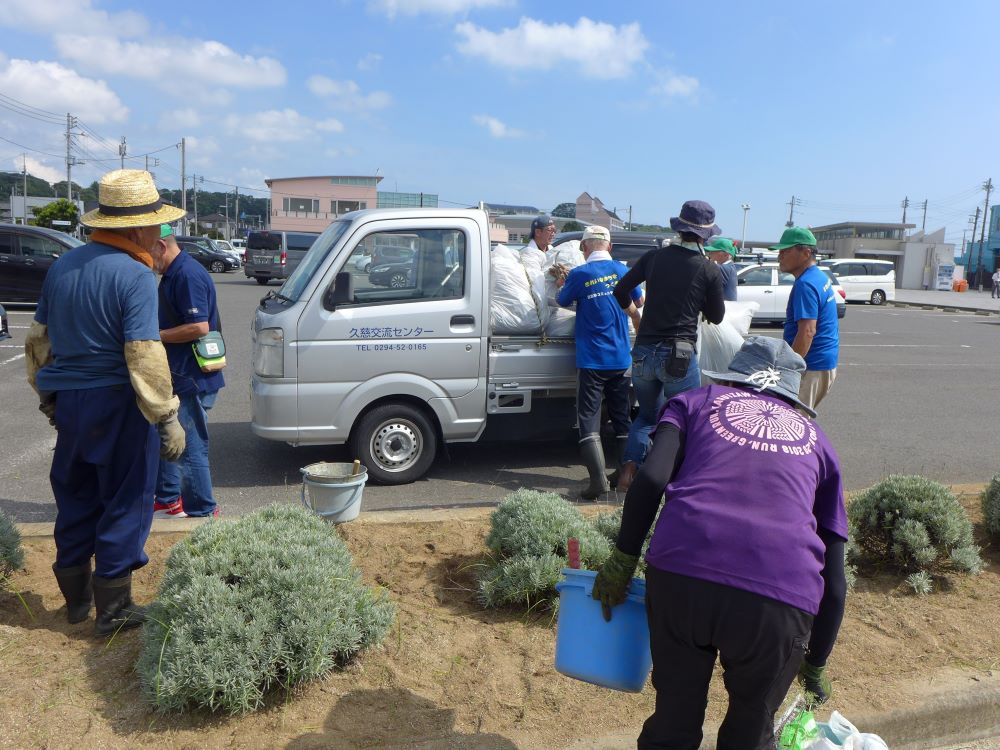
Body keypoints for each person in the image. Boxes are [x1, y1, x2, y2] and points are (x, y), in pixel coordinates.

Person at [592, 336, 848, 750]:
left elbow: (651, 479)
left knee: (673, 722)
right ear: (792, 398)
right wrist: (815, 662)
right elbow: (835, 583)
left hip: (683, 573)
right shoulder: (820, 445)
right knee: (750, 730)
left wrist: (623, 559)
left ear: (732, 379)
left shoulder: (695, 403)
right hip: (779, 597)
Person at [24, 169, 186, 636]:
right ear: (135, 229)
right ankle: (113, 611)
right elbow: (143, 351)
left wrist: (48, 396)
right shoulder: (135, 275)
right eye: (155, 225)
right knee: (126, 499)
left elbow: (38, 340)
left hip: (71, 401)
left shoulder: (63, 266)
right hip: (119, 402)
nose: (158, 234)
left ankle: (76, 603)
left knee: (75, 495)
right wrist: (166, 415)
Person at [612, 200, 726, 493]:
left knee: (646, 416)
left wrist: (635, 314)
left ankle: (628, 471)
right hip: (679, 354)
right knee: (683, 418)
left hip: (643, 351)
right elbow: (717, 316)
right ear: (706, 235)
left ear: (679, 229)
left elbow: (620, 290)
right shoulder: (708, 269)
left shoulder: (654, 257)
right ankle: (671, 478)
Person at [556, 225, 642, 499]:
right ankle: (623, 474)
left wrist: (562, 283)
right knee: (621, 417)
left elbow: (561, 300)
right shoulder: (622, 271)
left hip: (592, 360)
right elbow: (639, 301)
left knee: (588, 418)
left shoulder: (580, 273)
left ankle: (597, 482)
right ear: (610, 246)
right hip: (620, 358)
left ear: (584, 248)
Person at [150, 225, 225, 519]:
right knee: (170, 438)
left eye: (147, 250)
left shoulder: (186, 274)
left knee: (189, 446)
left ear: (161, 246)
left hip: (192, 376)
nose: (146, 259)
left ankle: (203, 510)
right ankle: (168, 499)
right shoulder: (174, 273)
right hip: (183, 374)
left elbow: (199, 326)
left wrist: (155, 336)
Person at [775, 226, 839, 411]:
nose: (780, 256)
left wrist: (789, 369)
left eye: (786, 251)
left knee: (793, 422)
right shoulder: (818, 276)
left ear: (806, 253)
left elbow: (808, 331)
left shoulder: (806, 284)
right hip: (823, 362)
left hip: (812, 365)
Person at [705, 237, 738, 301]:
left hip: (726, 305)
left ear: (725, 254)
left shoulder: (724, 268)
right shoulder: (731, 267)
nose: (709, 254)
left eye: (713, 252)